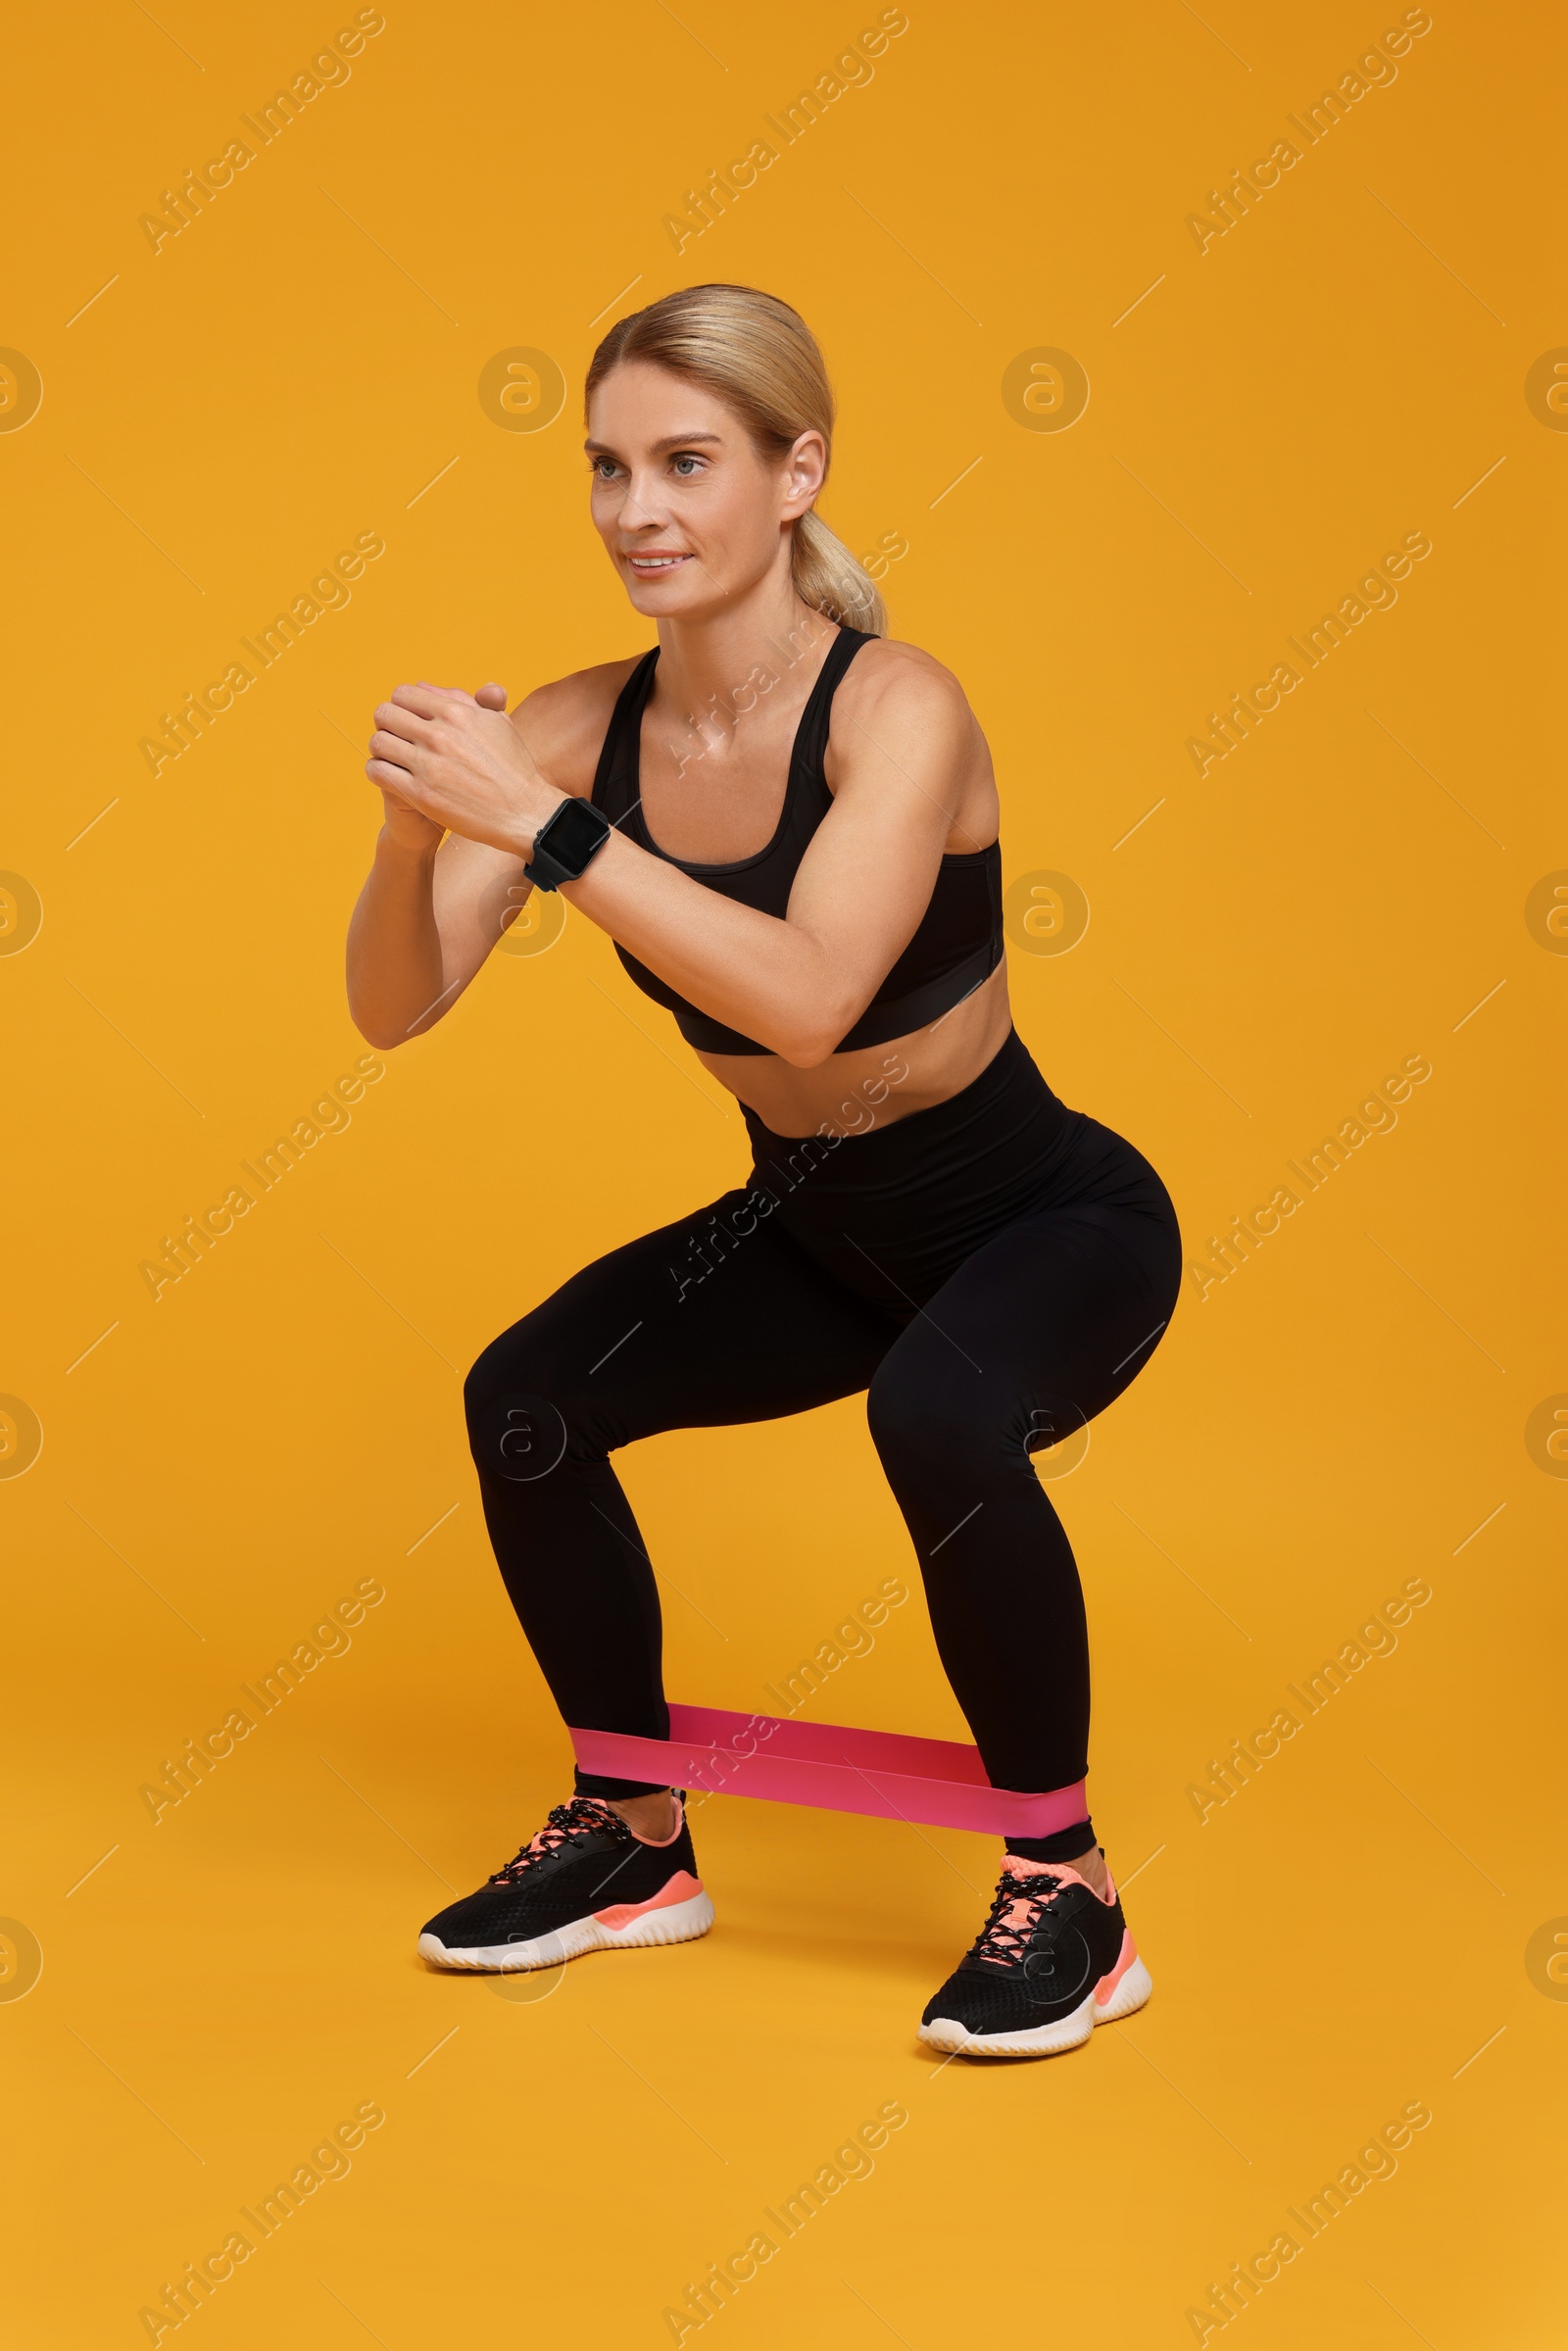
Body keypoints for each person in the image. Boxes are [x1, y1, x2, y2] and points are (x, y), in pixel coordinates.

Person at [345, 284, 1182, 2059]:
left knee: (939, 1420)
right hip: (815, 1233)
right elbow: (392, 1009)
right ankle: (640, 1843)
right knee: (527, 1401)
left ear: (796, 475)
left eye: (688, 462)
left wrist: (545, 832)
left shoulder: (900, 708)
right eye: (607, 466)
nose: (638, 509)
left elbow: (808, 1002)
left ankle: (1072, 1894)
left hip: (1043, 1220)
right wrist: (420, 827)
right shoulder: (580, 729)